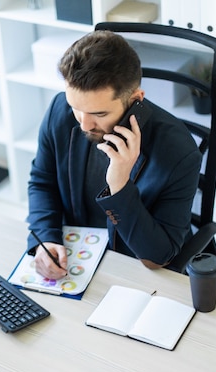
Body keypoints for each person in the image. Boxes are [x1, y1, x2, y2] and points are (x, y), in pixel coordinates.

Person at [26, 30, 202, 279]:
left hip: (132, 267)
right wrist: (45, 238)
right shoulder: (59, 109)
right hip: (76, 253)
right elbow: (42, 181)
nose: (84, 124)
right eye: (76, 108)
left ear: (135, 100)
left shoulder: (179, 152)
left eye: (99, 114)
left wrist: (119, 186)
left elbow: (159, 256)